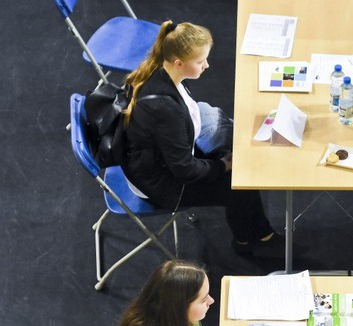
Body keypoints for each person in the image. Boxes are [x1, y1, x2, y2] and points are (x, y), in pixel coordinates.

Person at [121, 21, 284, 258]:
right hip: (163, 182)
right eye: (200, 61)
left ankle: (261, 233)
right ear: (179, 63)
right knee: (238, 185)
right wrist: (222, 165)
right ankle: (245, 241)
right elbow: (184, 170)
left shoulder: (161, 69)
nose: (206, 65)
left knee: (240, 169)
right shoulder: (165, 110)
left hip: (165, 157)